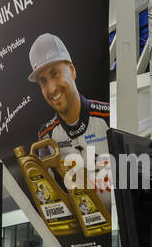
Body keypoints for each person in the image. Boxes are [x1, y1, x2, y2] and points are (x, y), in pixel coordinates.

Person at [29, 32, 111, 212]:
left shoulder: (109, 116)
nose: (51, 88)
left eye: (55, 74)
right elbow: (52, 198)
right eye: (43, 81)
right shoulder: (46, 136)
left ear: (72, 70)